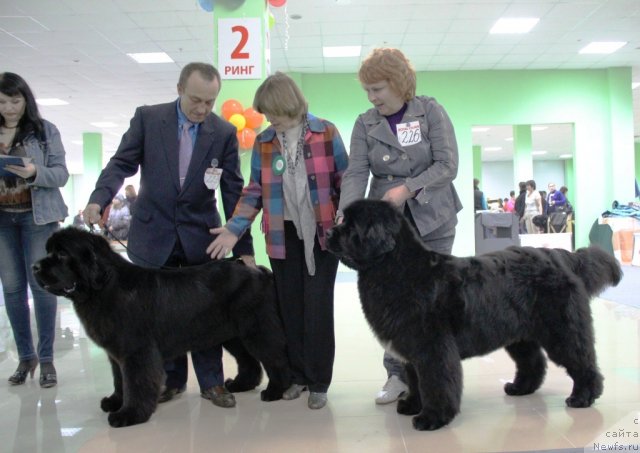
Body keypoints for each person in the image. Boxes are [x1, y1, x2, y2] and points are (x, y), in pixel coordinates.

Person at [83, 62, 253, 409]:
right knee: (155, 316)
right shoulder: (148, 118)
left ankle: (212, 383)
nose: (203, 109)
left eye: (210, 101)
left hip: (200, 237)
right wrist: (98, 199)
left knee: (206, 313)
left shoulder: (221, 132)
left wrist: (243, 245)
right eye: (196, 100)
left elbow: (233, 190)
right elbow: (121, 164)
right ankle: (169, 382)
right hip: (152, 235)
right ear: (179, 89)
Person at [207, 72, 348, 410]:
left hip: (321, 235)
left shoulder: (326, 132)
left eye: (276, 114)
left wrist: (347, 220)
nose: (271, 121)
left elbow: (347, 179)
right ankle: (297, 375)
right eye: (268, 115)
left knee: (316, 310)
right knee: (289, 309)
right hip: (282, 236)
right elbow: (254, 189)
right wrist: (234, 228)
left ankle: (318, 381)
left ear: (292, 105)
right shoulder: (266, 140)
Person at [335, 48, 462, 405]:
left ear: (399, 83)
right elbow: (357, 171)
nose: (372, 98)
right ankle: (397, 376)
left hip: (433, 214)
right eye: (367, 91)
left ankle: (439, 373)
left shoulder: (430, 111)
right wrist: (349, 213)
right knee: (393, 304)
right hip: (386, 227)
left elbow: (448, 164)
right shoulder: (365, 123)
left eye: (378, 89)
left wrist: (408, 188)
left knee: (432, 301)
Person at [0, 72, 69, 388]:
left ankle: (46, 360)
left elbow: (61, 175)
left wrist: (33, 172)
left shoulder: (43, 132)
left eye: (15, 100)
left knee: (42, 287)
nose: (10, 108)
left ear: (26, 100)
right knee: (13, 289)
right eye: (3, 102)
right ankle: (25, 357)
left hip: (37, 218)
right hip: (3, 220)